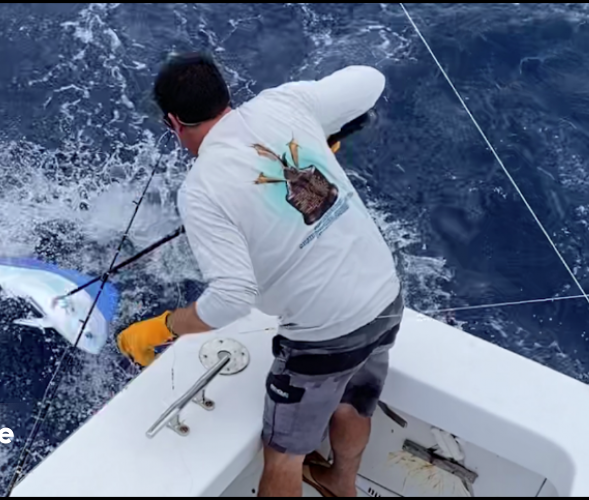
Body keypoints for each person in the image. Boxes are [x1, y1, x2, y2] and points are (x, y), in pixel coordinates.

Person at [118, 52, 403, 498]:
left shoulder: (200, 189)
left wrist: (164, 326)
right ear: (224, 94)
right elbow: (370, 79)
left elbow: (232, 299)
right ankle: (341, 484)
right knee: (353, 401)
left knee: (284, 454)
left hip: (323, 336)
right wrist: (317, 131)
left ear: (173, 122)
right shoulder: (285, 102)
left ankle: (328, 480)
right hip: (385, 297)